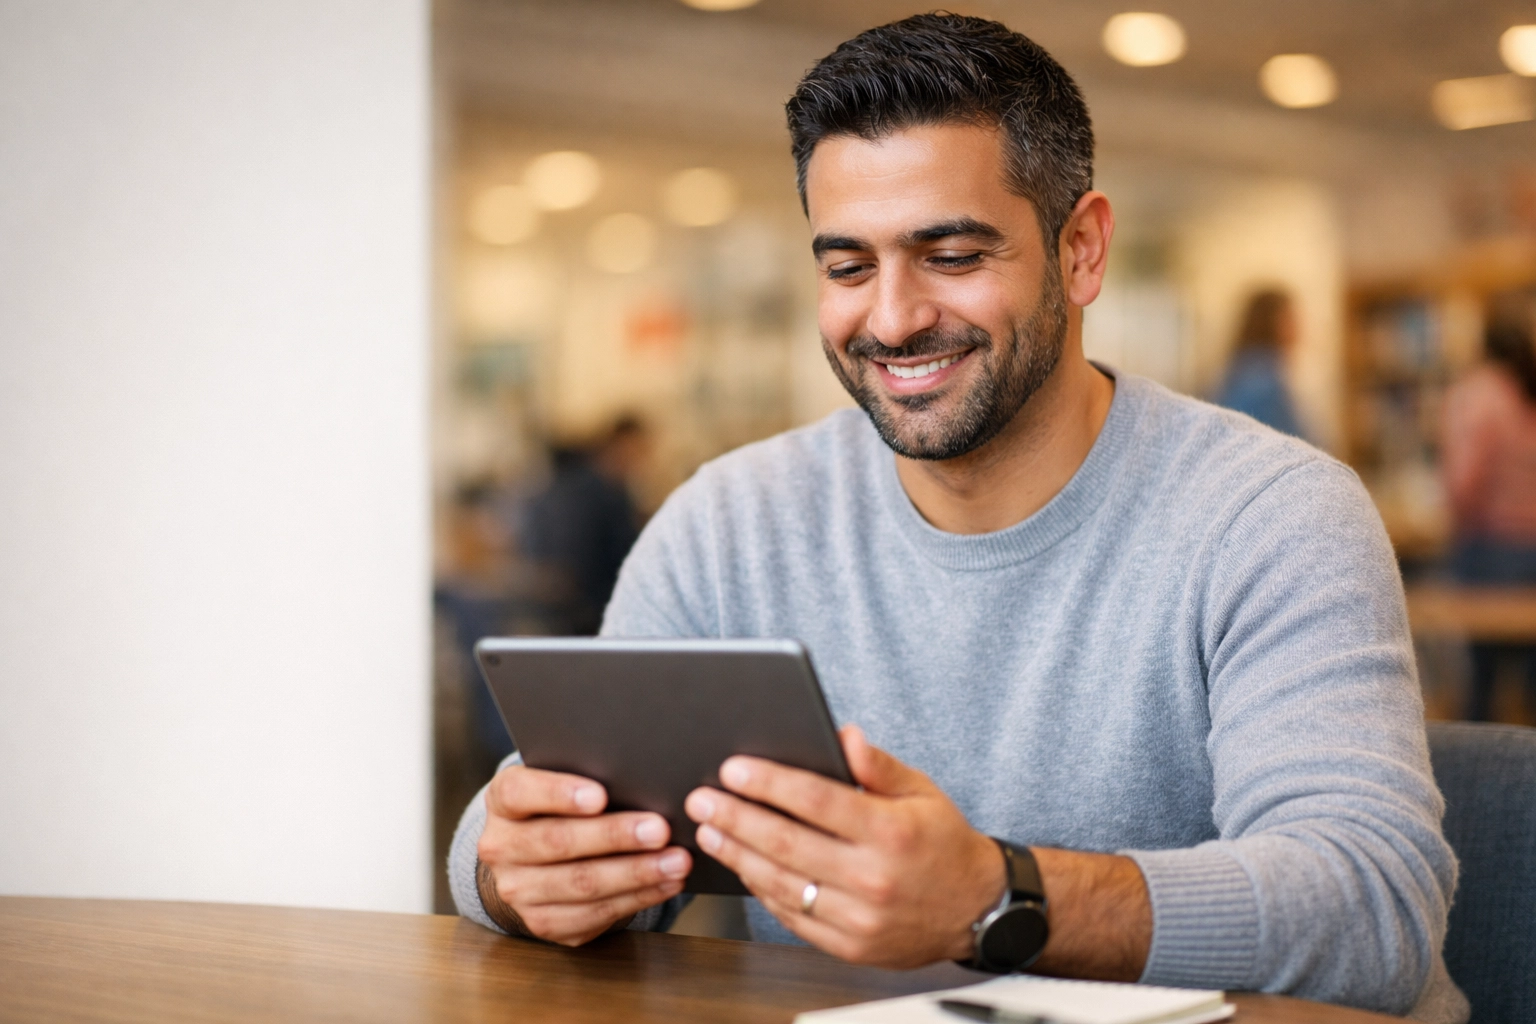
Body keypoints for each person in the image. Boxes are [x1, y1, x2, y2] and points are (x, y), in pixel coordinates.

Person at [449, 15, 1465, 1022]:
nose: (892, 320)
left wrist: (996, 897)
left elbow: (1370, 909)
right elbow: (525, 818)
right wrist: (516, 871)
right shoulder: (731, 522)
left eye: (951, 254)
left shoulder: (1271, 514)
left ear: (1081, 250)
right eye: (848, 267)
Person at [1441, 312, 1536, 720]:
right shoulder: (1526, 392)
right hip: (1531, 551)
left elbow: (1465, 482)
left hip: (1490, 550)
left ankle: (1478, 748)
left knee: (1481, 674)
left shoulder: (1480, 394)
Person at [518, 415, 649, 636]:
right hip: (589, 613)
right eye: (639, 450)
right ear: (619, 444)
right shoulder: (594, 493)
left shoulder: (589, 487)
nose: (642, 460)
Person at [1213, 289, 1308, 438]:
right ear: (1271, 323)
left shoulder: (1245, 367)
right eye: (1290, 318)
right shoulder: (1263, 381)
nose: (1298, 326)